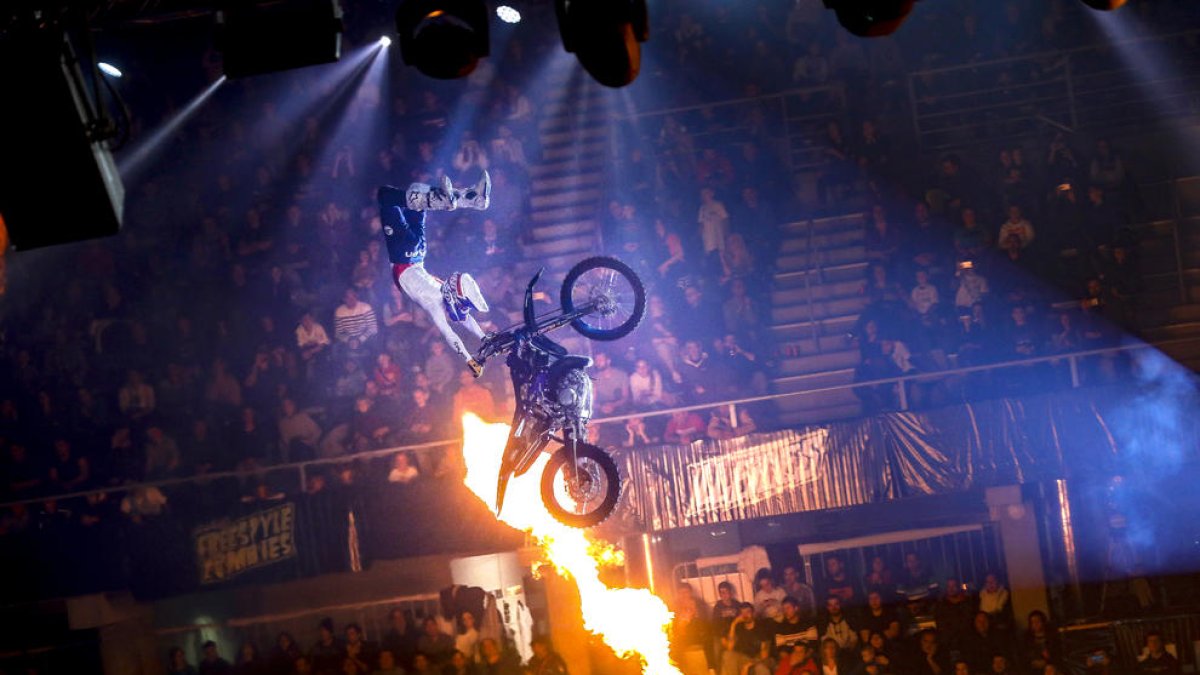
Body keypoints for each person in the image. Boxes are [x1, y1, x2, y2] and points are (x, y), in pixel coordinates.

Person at [378, 173, 492, 375]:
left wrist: (480, 344)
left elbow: (461, 326)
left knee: (420, 199)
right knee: (386, 196)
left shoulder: (443, 298)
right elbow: (454, 332)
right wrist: (472, 356)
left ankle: (472, 199)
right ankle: (464, 199)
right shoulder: (437, 305)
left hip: (419, 251)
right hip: (404, 255)